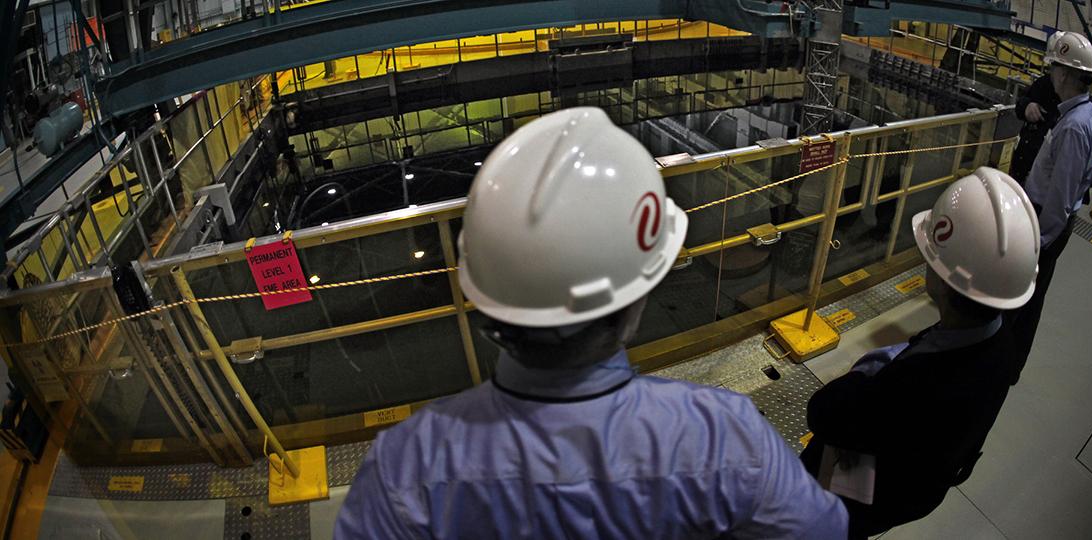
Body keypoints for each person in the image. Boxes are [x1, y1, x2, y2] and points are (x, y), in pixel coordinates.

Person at [335, 107, 847, 539]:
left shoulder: (404, 467)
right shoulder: (722, 437)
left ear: (482, 293)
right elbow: (823, 531)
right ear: (639, 289)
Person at [800, 167, 1041, 539]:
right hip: (914, 493)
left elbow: (823, 413)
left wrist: (862, 376)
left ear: (944, 280)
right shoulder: (1002, 343)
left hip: (854, 504)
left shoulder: (917, 385)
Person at [1004, 31, 1092, 383]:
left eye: (1056, 70)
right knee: (1027, 301)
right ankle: (1007, 364)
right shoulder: (1086, 114)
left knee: (1024, 302)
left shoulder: (1074, 127)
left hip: (1043, 224)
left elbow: (1059, 198)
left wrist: (1037, 245)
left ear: (1065, 74)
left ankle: (1006, 367)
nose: (1052, 76)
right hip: (1044, 219)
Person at [1011, 71, 1060, 186]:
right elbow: (1021, 103)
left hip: (1044, 182)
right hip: (1022, 166)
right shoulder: (1045, 83)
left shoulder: (1076, 112)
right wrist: (1026, 106)